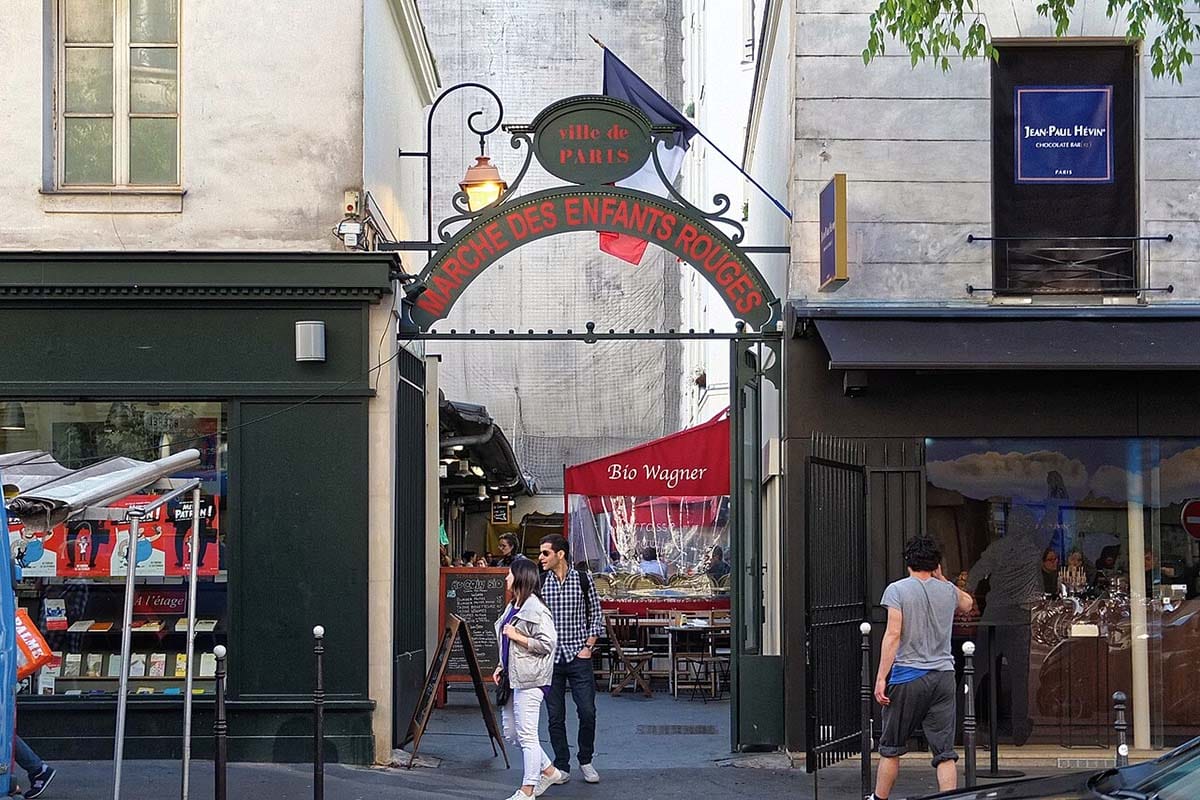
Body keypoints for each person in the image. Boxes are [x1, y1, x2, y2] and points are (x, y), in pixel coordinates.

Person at [869, 537, 973, 800]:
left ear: (908, 563)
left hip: (908, 675)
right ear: (936, 563)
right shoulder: (947, 590)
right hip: (943, 675)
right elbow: (968, 603)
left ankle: (879, 799)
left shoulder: (897, 590)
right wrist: (943, 579)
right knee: (944, 751)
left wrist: (881, 677)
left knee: (891, 746)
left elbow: (893, 634)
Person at [493, 558, 562, 799]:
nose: (506, 579)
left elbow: (548, 644)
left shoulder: (536, 609)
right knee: (513, 733)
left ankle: (528, 789)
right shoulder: (514, 605)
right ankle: (550, 771)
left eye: (509, 575)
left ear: (521, 578)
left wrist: (518, 636)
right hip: (512, 678)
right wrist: (501, 665)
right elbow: (505, 641)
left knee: (527, 734)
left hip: (531, 679)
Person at [537, 534, 603, 785]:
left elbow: (596, 615)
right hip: (551, 659)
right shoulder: (541, 582)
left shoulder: (583, 580)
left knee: (587, 712)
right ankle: (561, 765)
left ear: (560, 554)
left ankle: (585, 760)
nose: (541, 558)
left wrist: (588, 646)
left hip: (578, 656)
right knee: (555, 716)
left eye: (546, 553)